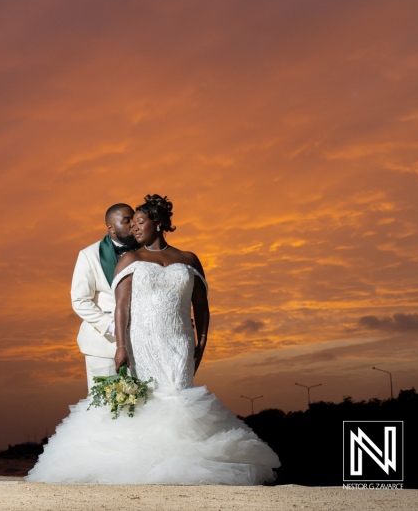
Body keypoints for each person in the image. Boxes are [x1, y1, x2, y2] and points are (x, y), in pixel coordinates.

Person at [27, 194, 280, 485]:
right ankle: (138, 466)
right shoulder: (129, 258)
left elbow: (201, 305)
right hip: (140, 341)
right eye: (130, 223)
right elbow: (121, 305)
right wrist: (121, 344)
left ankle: (184, 464)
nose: (134, 228)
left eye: (139, 222)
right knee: (141, 402)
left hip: (179, 341)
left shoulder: (188, 259)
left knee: (178, 397)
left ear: (157, 224)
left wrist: (201, 342)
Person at [71, 203, 139, 391]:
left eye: (134, 220)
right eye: (126, 221)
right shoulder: (88, 255)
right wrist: (112, 327)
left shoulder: (145, 252)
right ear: (111, 227)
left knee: (141, 408)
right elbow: (80, 301)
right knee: (105, 408)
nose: (132, 225)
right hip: (102, 346)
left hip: (141, 343)